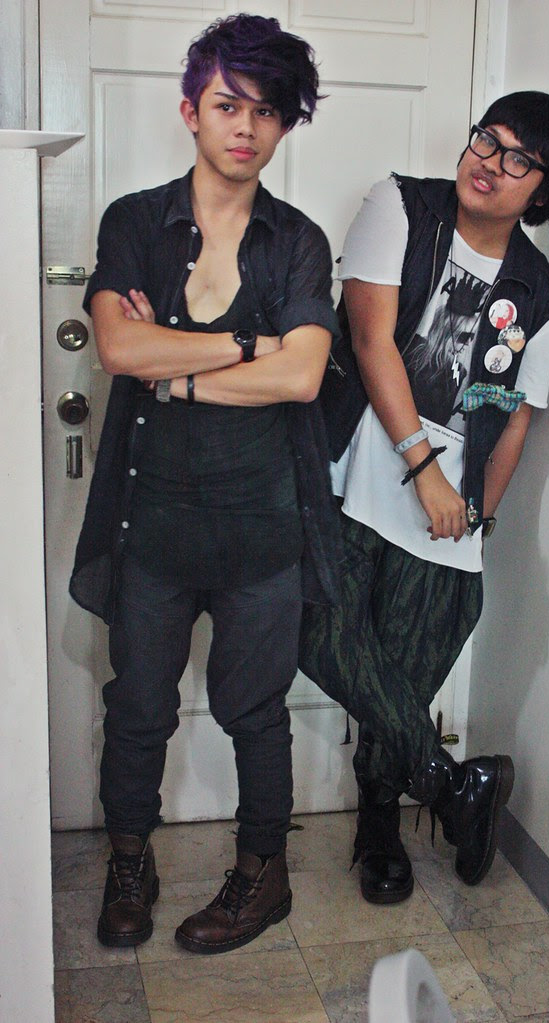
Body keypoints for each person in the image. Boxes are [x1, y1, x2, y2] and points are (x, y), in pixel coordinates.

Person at [69, 13, 340, 953]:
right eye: (228, 104)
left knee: (254, 712)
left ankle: (262, 876)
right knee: (138, 706)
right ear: (191, 110)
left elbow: (302, 376)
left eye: (266, 111)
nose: (246, 127)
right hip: (153, 518)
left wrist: (177, 369)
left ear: (284, 125)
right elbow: (118, 347)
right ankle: (129, 862)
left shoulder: (298, 241)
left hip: (263, 524)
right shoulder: (134, 222)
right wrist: (250, 344)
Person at [300, 92, 549, 904]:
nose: (488, 163)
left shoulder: (538, 290)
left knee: (399, 677)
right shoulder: (402, 207)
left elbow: (512, 411)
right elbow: (370, 340)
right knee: (311, 629)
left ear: (543, 191)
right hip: (353, 470)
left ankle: (380, 825)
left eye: (516, 158)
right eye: (485, 140)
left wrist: (477, 515)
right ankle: (453, 784)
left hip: (447, 511)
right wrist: (422, 466)